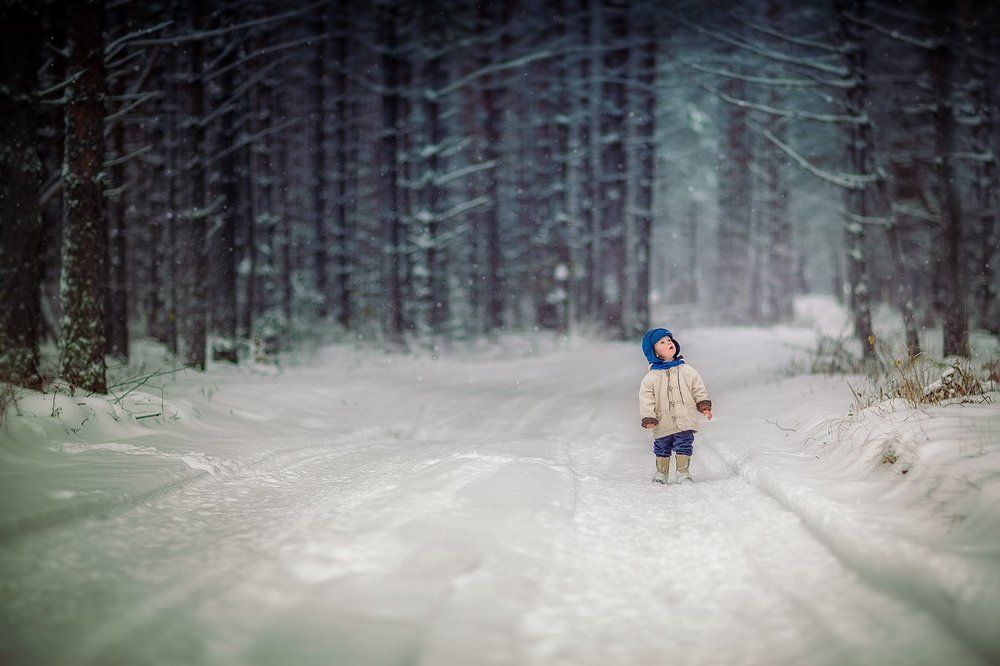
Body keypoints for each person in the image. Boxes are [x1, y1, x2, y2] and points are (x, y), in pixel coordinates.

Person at [639, 328, 712, 484]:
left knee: (684, 443)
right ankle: (661, 473)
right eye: (662, 343)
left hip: (685, 417)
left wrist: (703, 404)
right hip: (662, 419)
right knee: (662, 446)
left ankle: (683, 472)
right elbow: (646, 398)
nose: (668, 343)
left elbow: (697, 388)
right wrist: (649, 416)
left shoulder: (687, 370)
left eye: (669, 340)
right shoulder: (651, 378)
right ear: (655, 352)